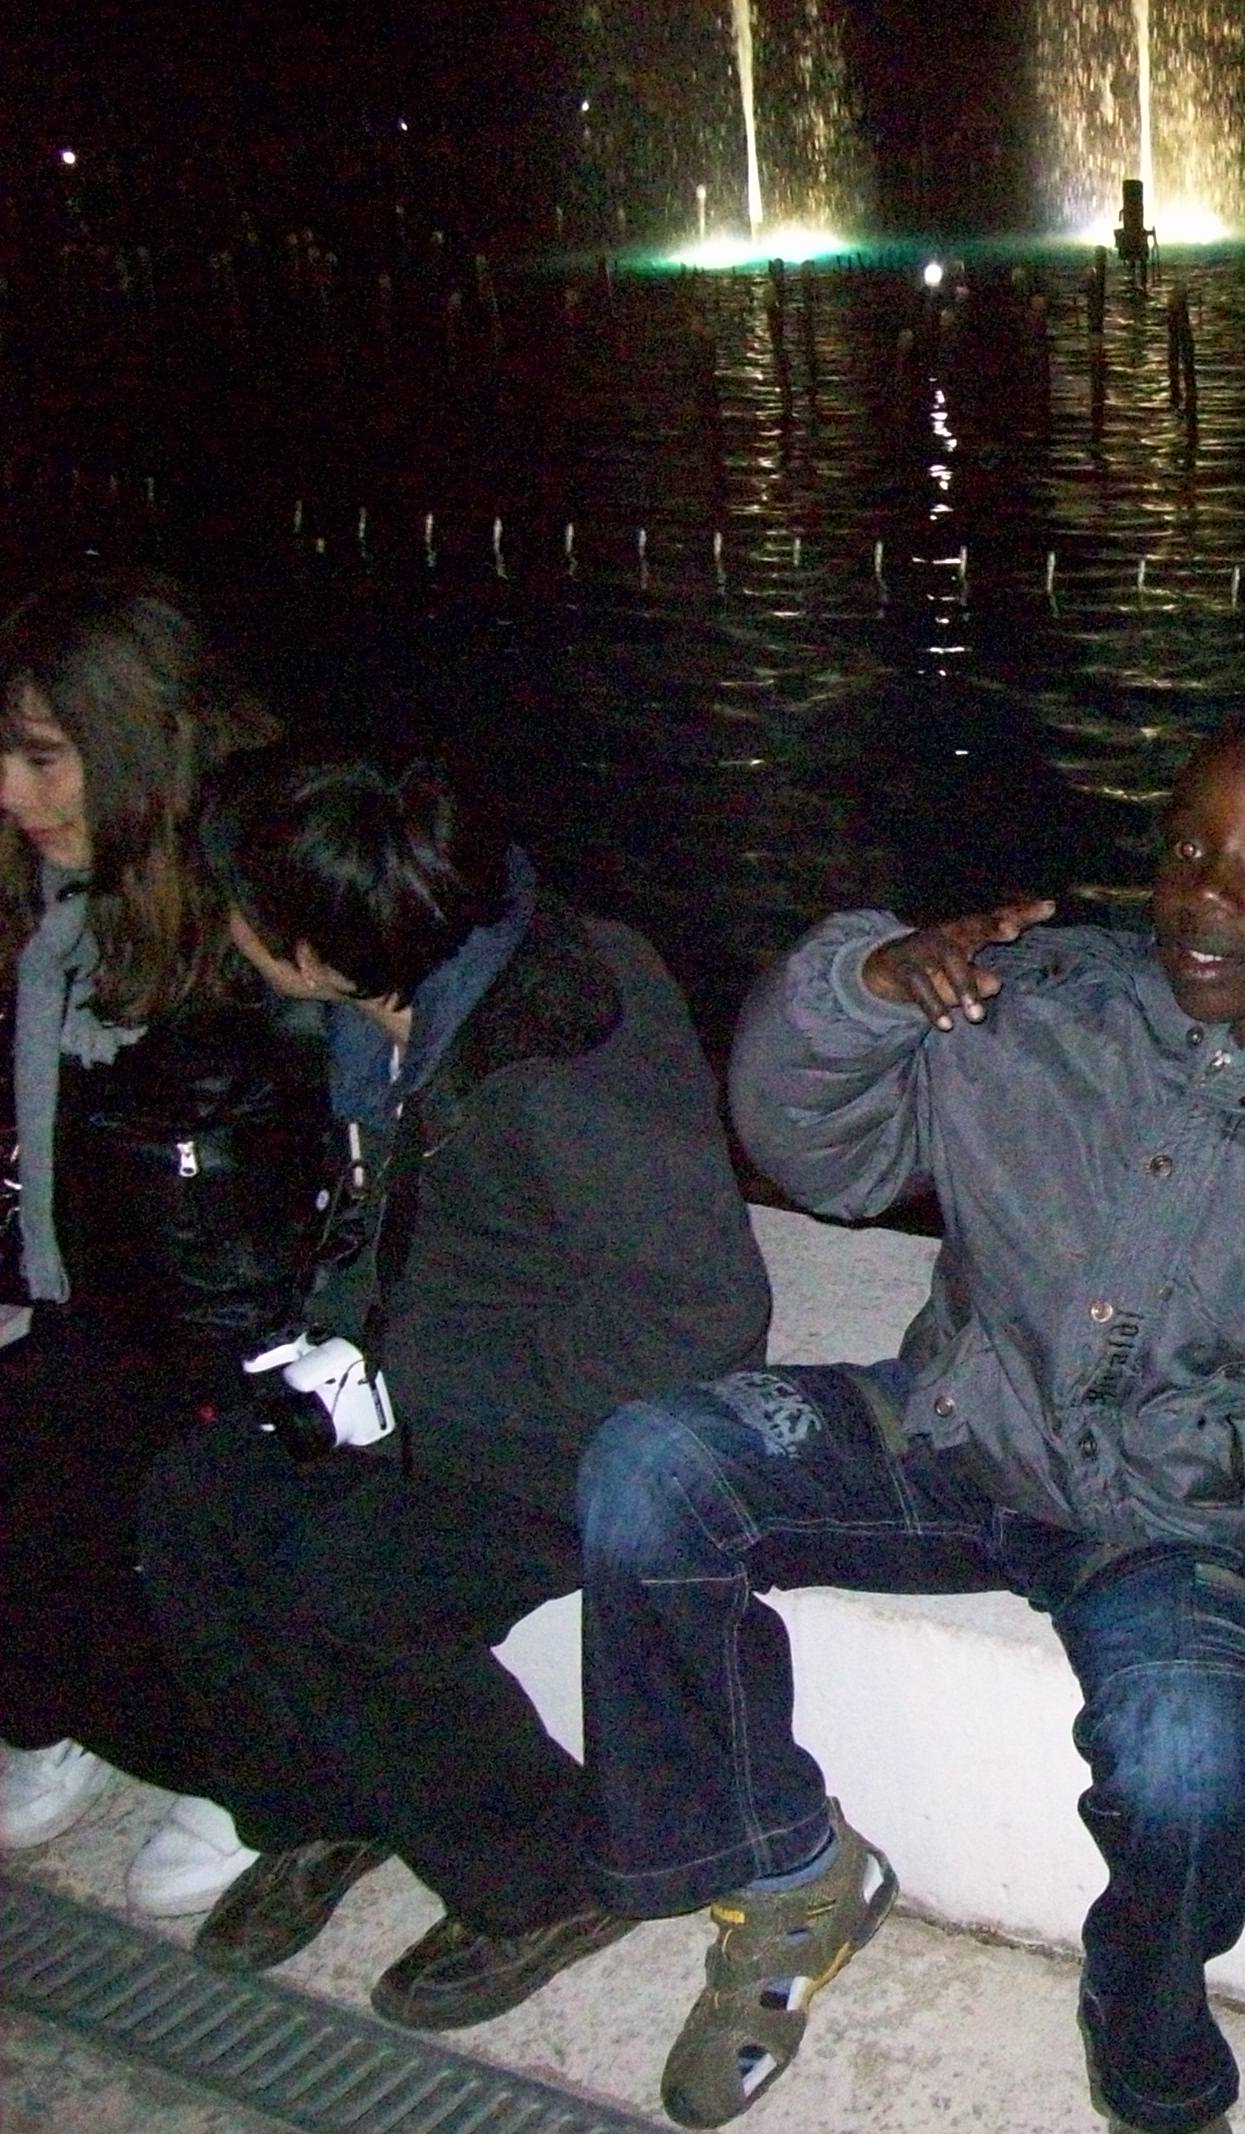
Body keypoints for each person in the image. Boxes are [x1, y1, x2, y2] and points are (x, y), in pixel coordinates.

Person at [574, 709, 1245, 2131]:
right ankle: (785, 1871)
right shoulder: (1034, 1005)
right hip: (951, 1429)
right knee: (652, 1468)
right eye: (1189, 849)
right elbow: (821, 1158)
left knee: (1193, 1766)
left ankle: (1140, 2005)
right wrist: (862, 990)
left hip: (1169, 1523)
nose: (1208, 895)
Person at [138, 743, 770, 2031]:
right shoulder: (379, 1010)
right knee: (191, 1502)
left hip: (580, 1434)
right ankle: (326, 1805)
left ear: (314, 948)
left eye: (241, 908)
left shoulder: (563, 1038)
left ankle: (544, 1877)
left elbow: (696, 1318)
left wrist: (406, 1384)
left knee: (338, 1582)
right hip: (419, 1389)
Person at [0, 574, 325, 1919]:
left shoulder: (264, 907)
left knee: (114, 1458)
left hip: (244, 1331)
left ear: (136, 745)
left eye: (44, 758)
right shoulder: (60, 907)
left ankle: (227, 1757)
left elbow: (330, 1170)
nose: (15, 793)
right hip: (104, 1292)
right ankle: (58, 1702)